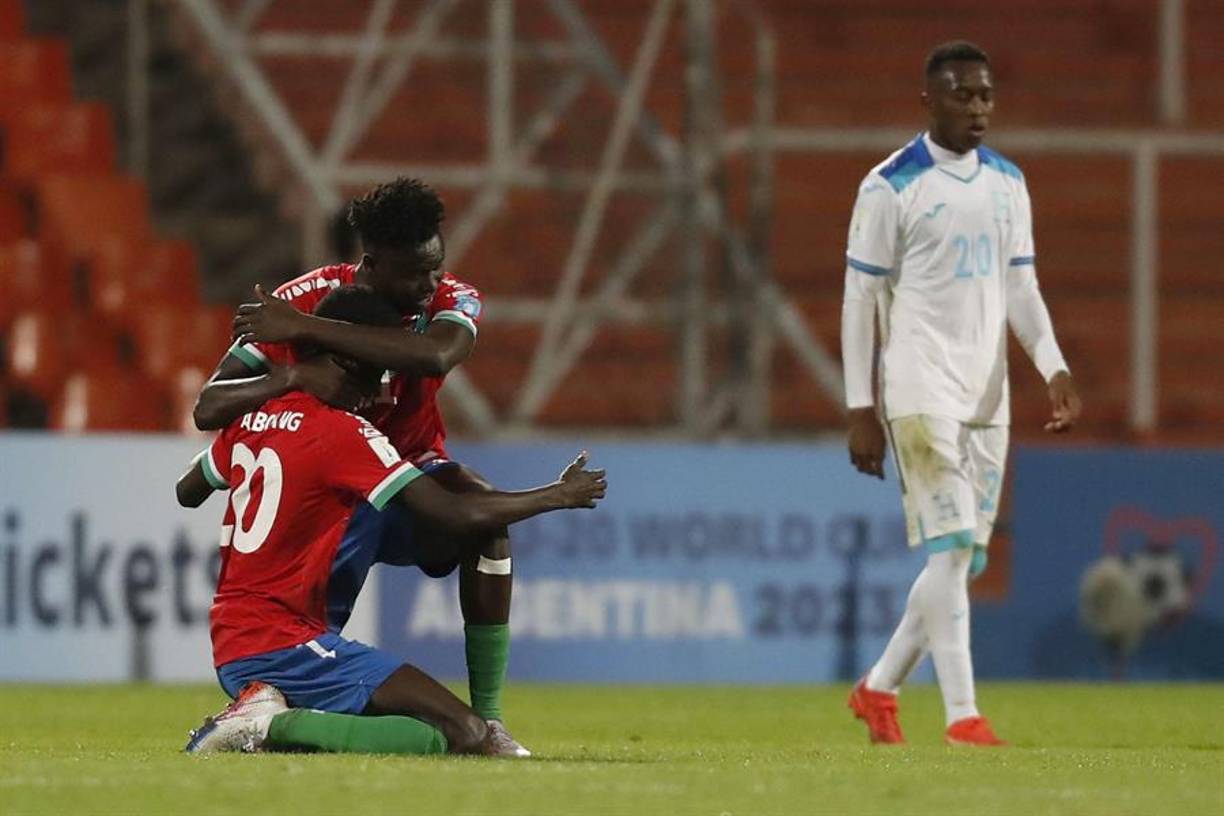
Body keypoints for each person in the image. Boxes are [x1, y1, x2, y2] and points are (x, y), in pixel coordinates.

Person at [178, 285, 606, 756]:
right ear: (346, 364)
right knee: (464, 733)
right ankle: (265, 728)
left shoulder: (251, 417)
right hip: (287, 645)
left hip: (236, 642)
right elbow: (452, 512)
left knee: (438, 732)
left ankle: (267, 714)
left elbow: (188, 488)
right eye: (375, 376)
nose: (378, 394)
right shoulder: (345, 433)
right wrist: (558, 495)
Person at [192, 178, 528, 753]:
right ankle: (284, 697)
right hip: (334, 487)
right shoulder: (308, 291)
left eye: (436, 267)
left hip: (406, 475)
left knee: (482, 520)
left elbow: (438, 353)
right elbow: (210, 405)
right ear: (370, 265)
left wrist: (304, 331)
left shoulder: (441, 299)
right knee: (310, 629)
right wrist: (292, 375)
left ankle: (488, 720)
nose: (431, 286)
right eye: (414, 273)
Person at [840, 41, 1082, 746]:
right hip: (918, 387)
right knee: (949, 546)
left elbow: (1021, 286)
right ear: (928, 101)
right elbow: (860, 299)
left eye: (984, 95)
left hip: (986, 396)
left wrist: (1054, 365)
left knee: (961, 560)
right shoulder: (890, 186)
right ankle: (962, 717)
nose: (976, 108)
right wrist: (861, 405)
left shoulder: (1008, 182)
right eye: (960, 95)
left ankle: (878, 687)